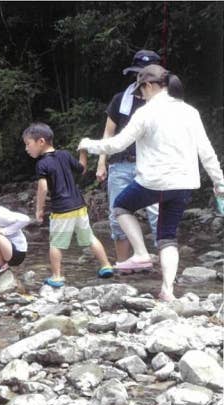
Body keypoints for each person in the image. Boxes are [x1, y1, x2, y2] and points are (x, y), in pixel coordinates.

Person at [78, 64, 224, 301]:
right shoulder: (190, 111)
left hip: (153, 181)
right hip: (183, 183)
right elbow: (206, 152)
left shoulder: (146, 113)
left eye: (141, 90)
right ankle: (167, 290)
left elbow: (117, 145)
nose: (140, 95)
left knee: (121, 207)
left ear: (149, 85)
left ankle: (141, 253)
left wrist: (88, 144)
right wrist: (220, 183)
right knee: (167, 237)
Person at [23, 122, 114, 288]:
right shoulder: (64, 155)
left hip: (61, 210)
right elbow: (82, 168)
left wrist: (39, 209)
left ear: (41, 141)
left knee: (56, 243)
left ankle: (57, 276)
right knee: (90, 237)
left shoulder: (42, 164)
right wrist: (83, 151)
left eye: (28, 144)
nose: (26, 149)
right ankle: (106, 265)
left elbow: (43, 187)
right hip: (79, 206)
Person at [97, 50, 161, 268]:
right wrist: (101, 162)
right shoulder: (120, 100)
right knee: (117, 215)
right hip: (121, 164)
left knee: (158, 215)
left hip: (153, 165)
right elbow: (109, 133)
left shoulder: (166, 104)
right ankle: (124, 266)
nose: (141, 78)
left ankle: (165, 267)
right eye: (138, 74)